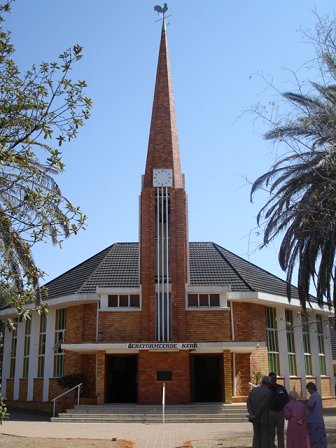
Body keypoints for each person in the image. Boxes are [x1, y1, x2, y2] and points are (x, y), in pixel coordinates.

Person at [246, 375, 272, 448]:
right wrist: (256, 414)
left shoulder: (254, 390)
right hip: (263, 417)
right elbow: (263, 405)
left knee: (256, 436)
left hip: (254, 418)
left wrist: (251, 413)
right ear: (268, 383)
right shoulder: (268, 392)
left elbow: (248, 402)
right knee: (264, 436)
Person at [268, 372, 289, 448]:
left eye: (275, 378)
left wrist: (287, 412)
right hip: (271, 413)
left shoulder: (281, 388)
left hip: (280, 413)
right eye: (272, 378)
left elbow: (287, 400)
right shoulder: (267, 389)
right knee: (271, 433)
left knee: (280, 433)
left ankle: (281, 446)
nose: (274, 379)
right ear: (269, 379)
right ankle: (271, 446)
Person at [306, 382, 328, 448]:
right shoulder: (318, 395)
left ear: (310, 388)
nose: (308, 391)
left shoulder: (313, 396)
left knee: (315, 438)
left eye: (308, 389)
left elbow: (309, 407)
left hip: (313, 420)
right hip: (319, 419)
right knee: (320, 437)